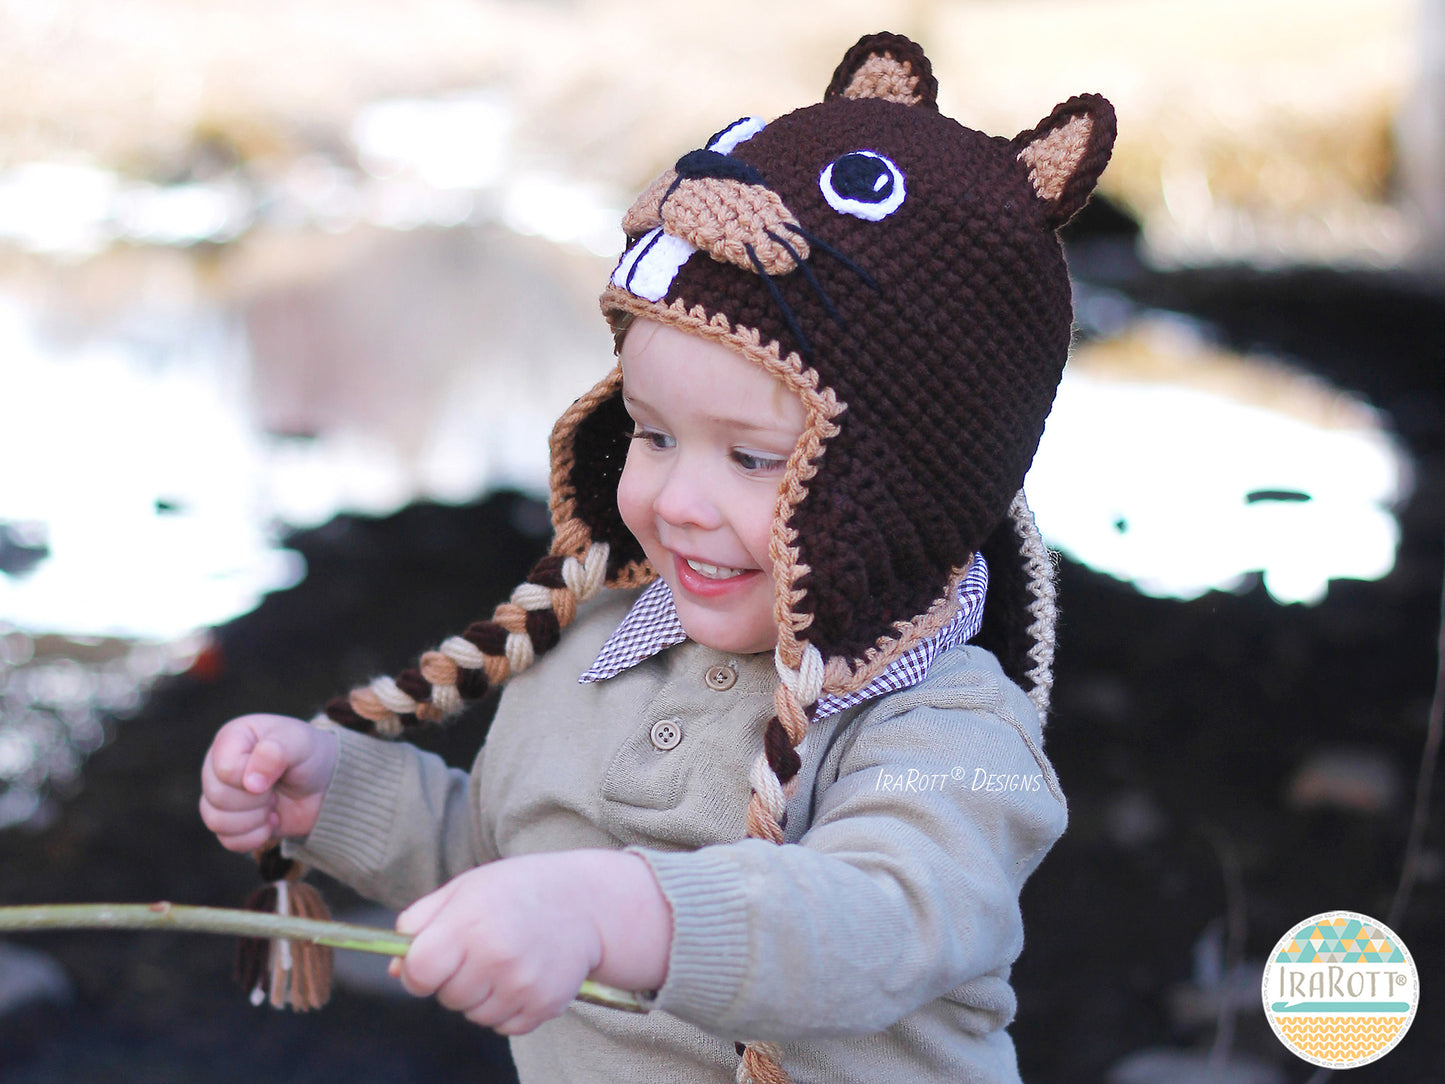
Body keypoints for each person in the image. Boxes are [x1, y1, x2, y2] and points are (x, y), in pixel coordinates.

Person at [200, 32, 1115, 1084]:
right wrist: (337, 797)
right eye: (653, 433)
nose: (677, 501)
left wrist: (614, 910)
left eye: (754, 457)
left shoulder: (948, 728)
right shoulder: (587, 652)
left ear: (908, 489)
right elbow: (507, 866)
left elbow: (881, 918)